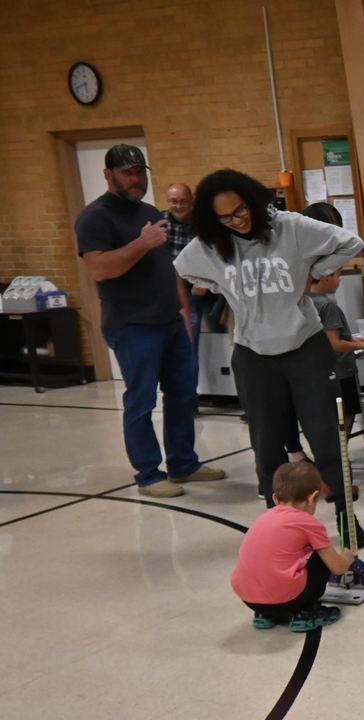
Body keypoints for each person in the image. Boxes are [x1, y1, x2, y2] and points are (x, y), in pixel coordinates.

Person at [173, 169, 364, 547]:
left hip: (305, 349)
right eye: (226, 217)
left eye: (241, 210)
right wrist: (224, 288)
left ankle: (346, 518)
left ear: (253, 201)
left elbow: (350, 241)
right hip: (254, 355)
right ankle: (279, 528)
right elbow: (183, 267)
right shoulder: (213, 243)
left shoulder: (289, 227)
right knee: (267, 448)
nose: (237, 221)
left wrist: (314, 272)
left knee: (326, 440)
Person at [75, 144, 224, 498]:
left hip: (169, 320)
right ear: (108, 175)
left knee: (183, 393)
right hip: (132, 324)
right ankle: (148, 474)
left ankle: (183, 463)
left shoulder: (148, 211)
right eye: (128, 172)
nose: (137, 179)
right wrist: (141, 243)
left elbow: (167, 265)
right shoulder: (94, 217)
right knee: (141, 400)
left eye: (141, 171)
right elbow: (99, 267)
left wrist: (184, 310)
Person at [281, 203, 364, 465]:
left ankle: (322, 461)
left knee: (321, 414)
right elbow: (334, 343)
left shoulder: (318, 296)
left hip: (317, 363)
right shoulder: (321, 301)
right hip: (319, 364)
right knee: (327, 415)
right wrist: (362, 344)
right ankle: (322, 462)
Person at [230, 462, 354, 632]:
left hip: (249, 599)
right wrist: (346, 558)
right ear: (313, 497)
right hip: (287, 599)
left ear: (275, 498)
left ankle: (264, 615)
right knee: (320, 557)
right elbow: (338, 568)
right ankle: (305, 612)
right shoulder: (308, 522)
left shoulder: (262, 519)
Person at [162, 183, 205, 364]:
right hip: (166, 290)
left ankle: (191, 385)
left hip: (191, 289)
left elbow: (214, 253)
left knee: (189, 337)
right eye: (174, 202)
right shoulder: (160, 221)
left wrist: (203, 281)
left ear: (191, 201)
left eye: (183, 202)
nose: (178, 206)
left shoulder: (202, 223)